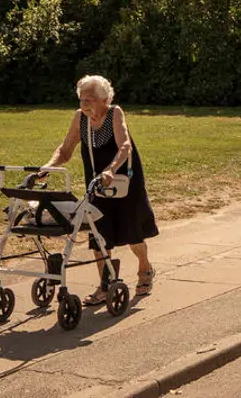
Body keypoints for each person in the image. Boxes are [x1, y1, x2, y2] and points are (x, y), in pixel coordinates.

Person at [40, 75, 159, 305]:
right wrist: (49, 166)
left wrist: (111, 170)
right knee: (98, 232)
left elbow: (125, 145)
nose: (84, 103)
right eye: (82, 99)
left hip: (123, 179)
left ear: (105, 99)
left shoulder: (115, 113)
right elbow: (65, 150)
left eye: (90, 99)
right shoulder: (80, 118)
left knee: (132, 230)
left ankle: (145, 268)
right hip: (96, 182)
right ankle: (105, 285)